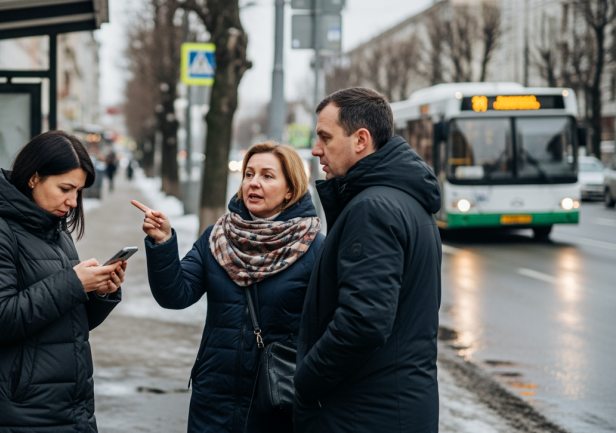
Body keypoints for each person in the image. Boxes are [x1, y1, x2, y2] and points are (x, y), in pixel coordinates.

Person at [135, 141, 325, 433]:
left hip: (277, 400)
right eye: (249, 174)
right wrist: (163, 243)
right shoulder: (217, 236)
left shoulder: (314, 247)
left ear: (290, 189)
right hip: (214, 399)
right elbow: (176, 294)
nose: (254, 183)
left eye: (267, 176)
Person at [0, 130, 127, 433]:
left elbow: (68, 325)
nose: (73, 201)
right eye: (65, 188)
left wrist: (99, 292)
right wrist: (73, 284)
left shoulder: (56, 233)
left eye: (78, 192)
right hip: (16, 410)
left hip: (67, 405)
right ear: (34, 177)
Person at [293, 88, 442, 432]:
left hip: (362, 412)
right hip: (392, 406)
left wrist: (305, 381)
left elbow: (363, 322)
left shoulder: (371, 209)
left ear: (360, 140)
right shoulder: (405, 200)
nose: (316, 150)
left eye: (325, 138)